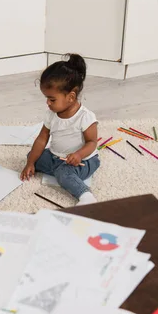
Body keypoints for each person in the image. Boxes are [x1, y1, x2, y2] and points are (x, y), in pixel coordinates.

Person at [21, 54, 100, 204]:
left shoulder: (85, 117)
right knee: (33, 156)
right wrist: (30, 162)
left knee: (64, 173)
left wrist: (78, 154)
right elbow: (42, 138)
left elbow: (92, 142)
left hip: (83, 160)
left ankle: (85, 195)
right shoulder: (51, 114)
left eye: (52, 99)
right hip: (56, 156)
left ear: (71, 97)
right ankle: (60, 173)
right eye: (46, 98)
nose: (48, 103)